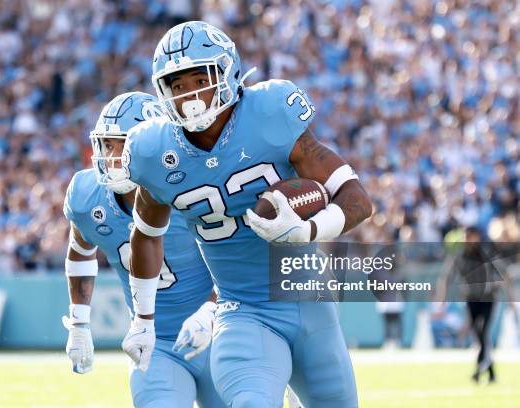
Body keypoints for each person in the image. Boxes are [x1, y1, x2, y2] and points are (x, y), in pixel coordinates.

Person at [121, 21, 372, 407]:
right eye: (177, 84)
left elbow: (356, 199)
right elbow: (145, 233)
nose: (191, 94)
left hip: (310, 302)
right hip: (242, 310)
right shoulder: (153, 151)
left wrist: (307, 231)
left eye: (199, 78)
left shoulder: (270, 111)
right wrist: (142, 317)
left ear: (227, 72)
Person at [62, 91, 224, 408]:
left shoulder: (191, 188)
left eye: (122, 144)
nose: (111, 156)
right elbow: (80, 252)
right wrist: (79, 324)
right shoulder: (86, 195)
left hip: (220, 333)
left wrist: (212, 310)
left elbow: (241, 258)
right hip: (154, 342)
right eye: (107, 144)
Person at [436, 226, 517, 384]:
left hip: (488, 298)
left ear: (477, 236)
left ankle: (479, 369)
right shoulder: (459, 256)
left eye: (471, 236)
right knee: (479, 335)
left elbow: (505, 274)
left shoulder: (487, 252)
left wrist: (511, 298)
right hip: (471, 299)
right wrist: (442, 301)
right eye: (466, 236)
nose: (468, 239)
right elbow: (446, 278)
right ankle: (490, 371)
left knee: (482, 331)